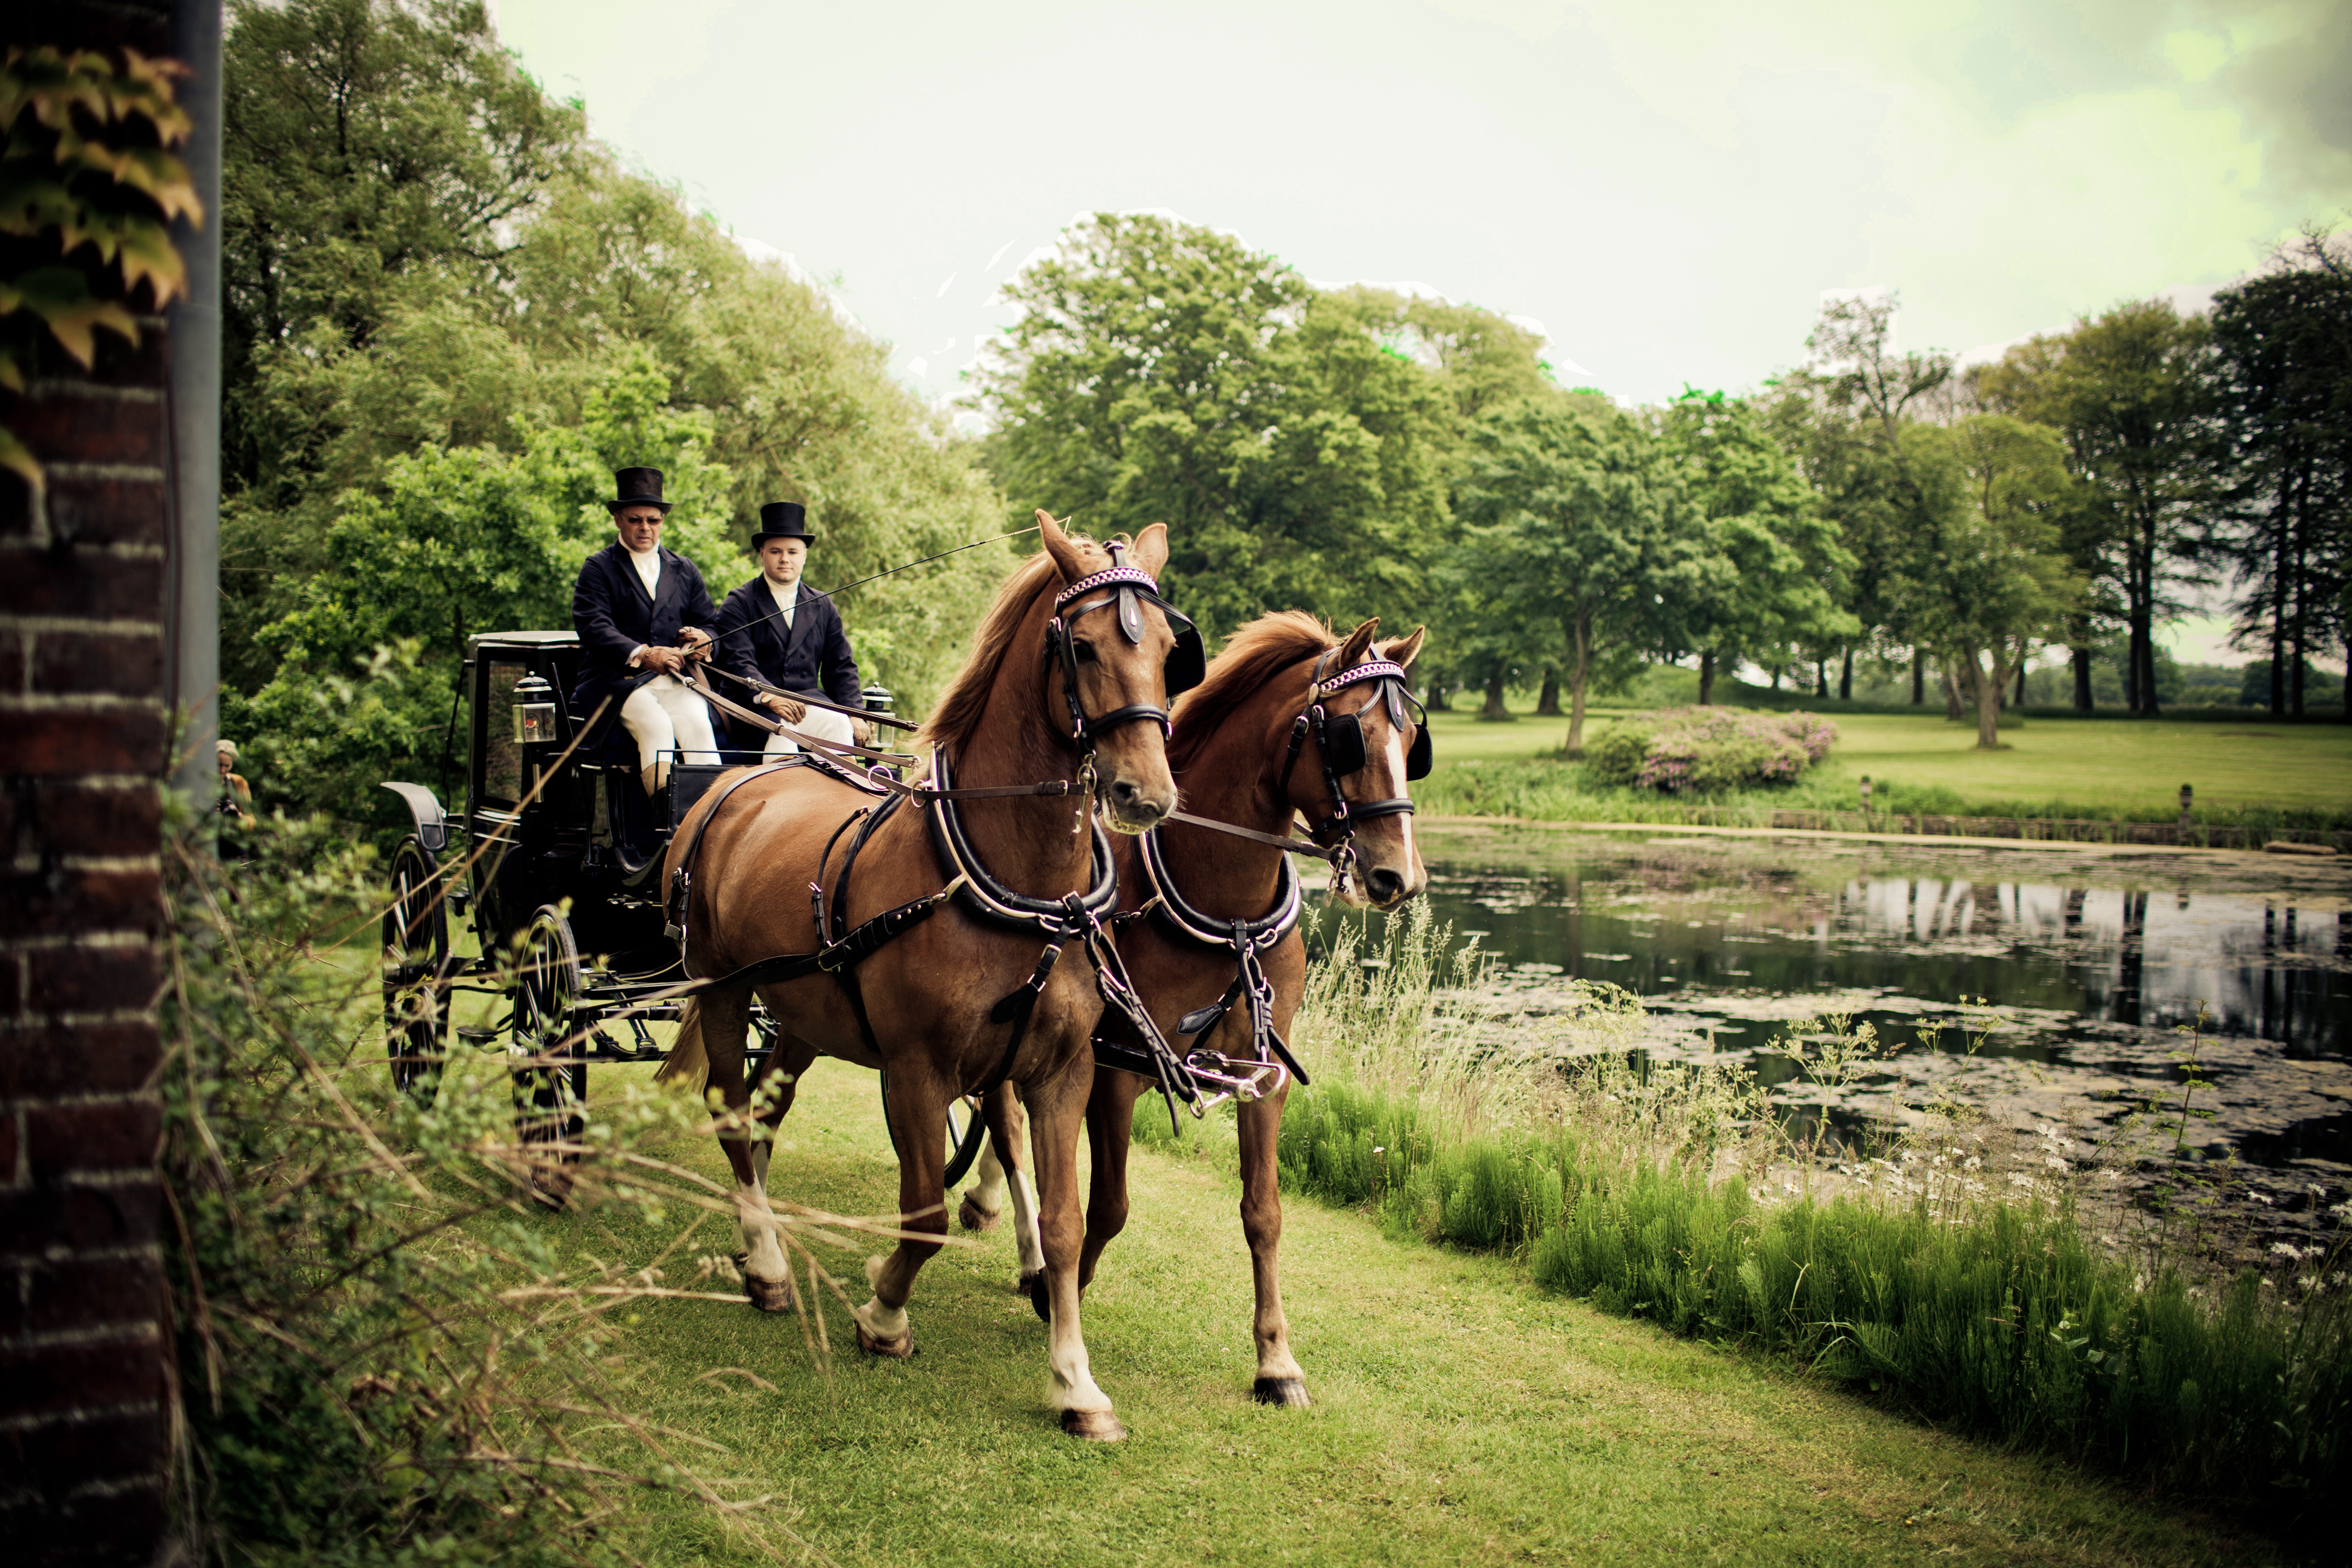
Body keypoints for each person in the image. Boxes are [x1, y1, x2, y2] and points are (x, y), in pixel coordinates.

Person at [570, 466, 723, 797]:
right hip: (617, 683)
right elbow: (592, 626)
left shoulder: (684, 569)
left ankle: (708, 822)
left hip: (674, 678)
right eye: (635, 519)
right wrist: (643, 653)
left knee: (699, 721)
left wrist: (704, 641)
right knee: (657, 726)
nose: (644, 528)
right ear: (618, 520)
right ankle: (661, 824)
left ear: (661, 522)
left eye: (652, 520)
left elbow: (711, 623)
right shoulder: (598, 568)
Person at [713, 502, 869, 758]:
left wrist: (854, 712)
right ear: (762, 554)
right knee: (783, 735)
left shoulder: (822, 604)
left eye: (793, 552)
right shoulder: (739, 602)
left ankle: (839, 797)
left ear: (804, 556)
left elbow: (840, 666)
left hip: (807, 703)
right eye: (776, 551)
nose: (785, 559)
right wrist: (769, 697)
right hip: (755, 709)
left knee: (839, 723)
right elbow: (739, 663)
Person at [215, 739, 253, 823]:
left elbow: (250, 817)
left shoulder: (239, 782)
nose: (222, 770)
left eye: (227, 766)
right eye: (219, 765)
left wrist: (241, 818)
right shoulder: (202, 781)